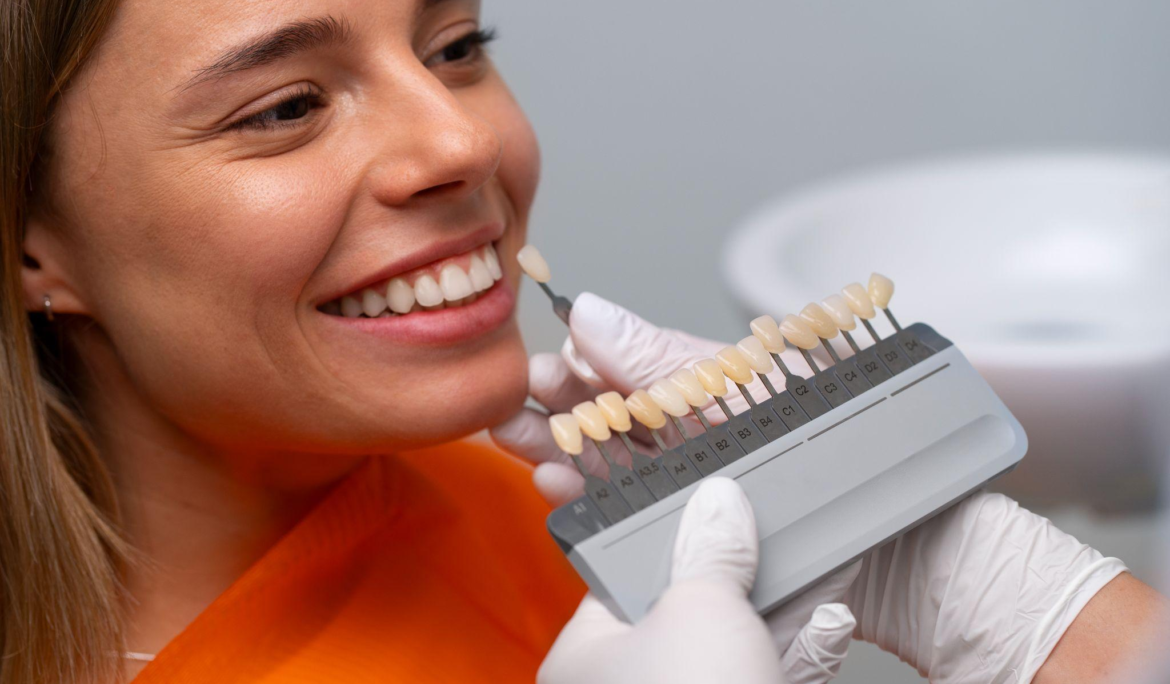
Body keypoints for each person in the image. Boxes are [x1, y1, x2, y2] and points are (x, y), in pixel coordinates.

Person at [0, 1, 1162, 683]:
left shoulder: (555, 527)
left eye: (456, 44)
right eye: (286, 108)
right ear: (30, 245)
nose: (461, 142)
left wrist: (998, 596)